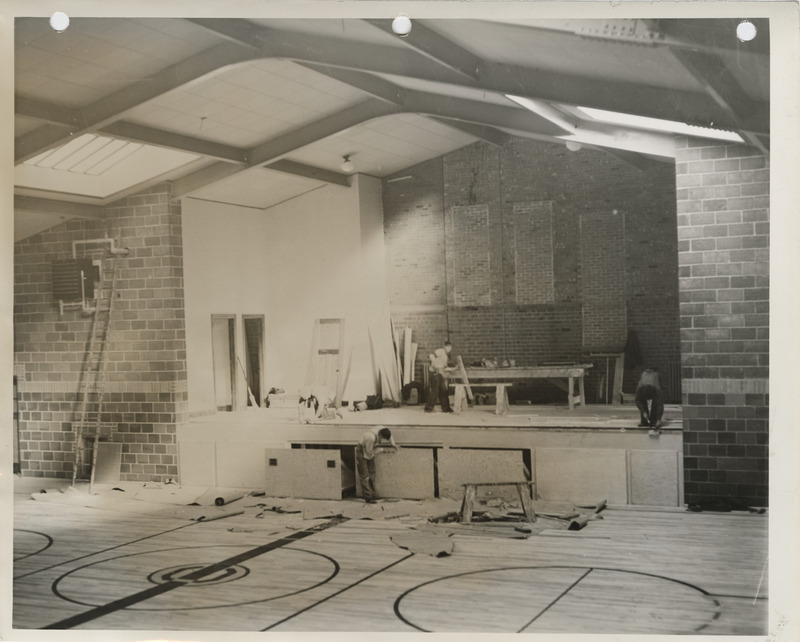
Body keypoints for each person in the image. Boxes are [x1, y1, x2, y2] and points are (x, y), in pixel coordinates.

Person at [356, 426, 398, 503]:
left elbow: (390, 436)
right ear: (380, 435)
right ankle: (368, 497)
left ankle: (373, 494)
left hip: (370, 450)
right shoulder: (370, 437)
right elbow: (369, 451)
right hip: (362, 450)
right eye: (383, 439)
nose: (383, 441)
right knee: (365, 476)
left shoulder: (383, 429)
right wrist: (382, 450)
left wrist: (393, 445)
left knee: (372, 473)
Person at [425, 340, 455, 413]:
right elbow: (431, 356)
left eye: (450, 348)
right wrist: (436, 365)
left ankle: (446, 408)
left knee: (444, 390)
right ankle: (428, 407)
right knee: (435, 391)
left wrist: (453, 369)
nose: (449, 349)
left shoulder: (446, 357)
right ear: (444, 347)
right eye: (448, 347)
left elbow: (444, 368)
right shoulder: (440, 351)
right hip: (434, 373)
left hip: (440, 374)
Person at [635, 368, 664, 433]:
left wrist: (658, 419)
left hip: (654, 386)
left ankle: (654, 421)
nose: (648, 400)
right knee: (642, 403)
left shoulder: (657, 388)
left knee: (656, 402)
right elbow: (637, 401)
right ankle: (644, 421)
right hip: (644, 389)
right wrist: (643, 412)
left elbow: (660, 405)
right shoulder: (639, 388)